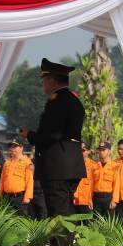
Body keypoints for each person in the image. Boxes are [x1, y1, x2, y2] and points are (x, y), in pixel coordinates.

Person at [19, 58, 85, 218]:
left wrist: (30, 135)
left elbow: (52, 134)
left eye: (45, 80)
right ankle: (67, 243)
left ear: (52, 80)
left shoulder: (56, 102)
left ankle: (61, 244)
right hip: (71, 164)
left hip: (57, 166)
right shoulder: (74, 101)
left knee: (58, 214)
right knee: (67, 212)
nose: (43, 85)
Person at [0, 138, 33, 215]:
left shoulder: (27, 162)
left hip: (19, 197)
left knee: (19, 220)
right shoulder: (7, 162)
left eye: (15, 146)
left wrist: (27, 197)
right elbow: (2, 180)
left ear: (21, 148)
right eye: (11, 146)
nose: (12, 148)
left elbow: (30, 180)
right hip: (6, 197)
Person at [91, 141, 118, 218]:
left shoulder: (114, 166)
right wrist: (90, 199)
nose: (101, 152)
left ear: (109, 151)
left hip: (108, 198)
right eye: (100, 150)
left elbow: (116, 184)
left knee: (108, 223)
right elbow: (91, 184)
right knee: (96, 223)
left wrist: (114, 200)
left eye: (103, 150)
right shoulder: (95, 166)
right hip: (96, 198)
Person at [72, 142, 95, 214]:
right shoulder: (73, 165)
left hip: (87, 201)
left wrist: (90, 199)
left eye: (83, 150)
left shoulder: (93, 165)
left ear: (88, 151)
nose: (80, 152)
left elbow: (93, 184)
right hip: (75, 200)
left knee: (87, 224)